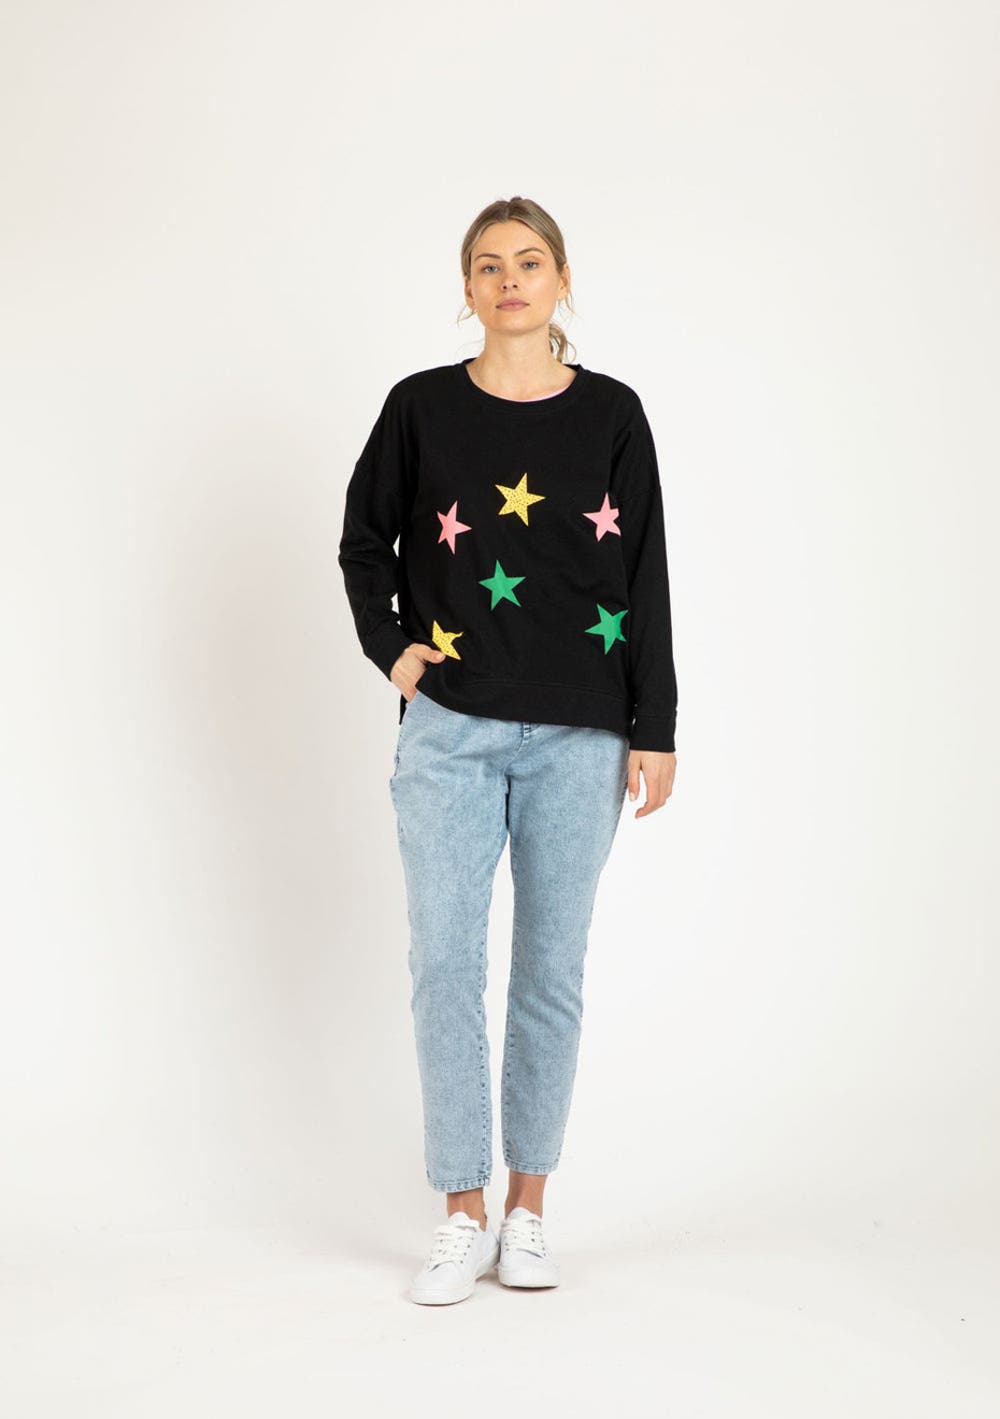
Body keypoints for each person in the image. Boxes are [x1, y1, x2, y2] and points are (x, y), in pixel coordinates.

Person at [338, 195, 678, 1305]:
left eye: (529, 262)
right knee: (443, 963)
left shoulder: (614, 414)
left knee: (548, 970)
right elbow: (362, 541)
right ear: (467, 289)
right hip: (451, 727)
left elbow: (645, 571)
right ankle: (461, 1212)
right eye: (489, 265)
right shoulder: (420, 408)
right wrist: (392, 648)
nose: (510, 281)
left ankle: (528, 1210)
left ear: (561, 278)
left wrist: (656, 724)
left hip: (582, 729)